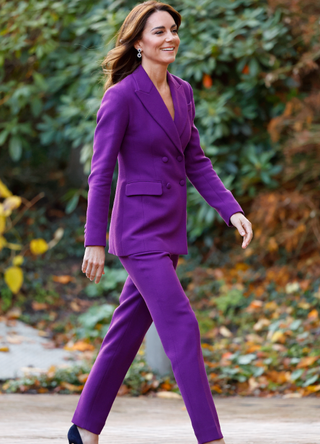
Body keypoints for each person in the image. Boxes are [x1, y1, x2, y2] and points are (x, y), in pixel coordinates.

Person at [68, 1, 253, 443]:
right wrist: (95, 240)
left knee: (127, 328)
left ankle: (84, 428)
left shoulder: (184, 91)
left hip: (169, 229)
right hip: (136, 232)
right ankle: (211, 437)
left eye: (173, 29)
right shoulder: (122, 95)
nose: (169, 37)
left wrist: (232, 209)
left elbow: (196, 160)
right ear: (138, 42)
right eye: (158, 32)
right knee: (182, 325)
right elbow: (101, 172)